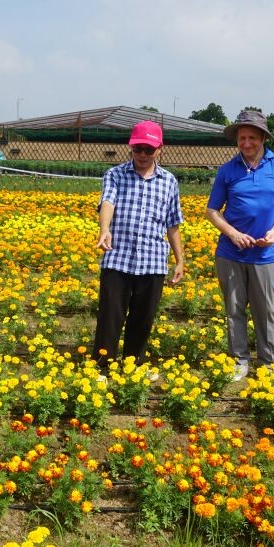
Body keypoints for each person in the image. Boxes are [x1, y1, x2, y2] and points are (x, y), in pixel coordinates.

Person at [206, 110, 274, 381]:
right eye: (242, 138)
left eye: (252, 138)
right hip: (231, 253)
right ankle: (239, 359)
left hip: (266, 253)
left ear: (263, 138)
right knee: (234, 309)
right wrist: (233, 233)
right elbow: (212, 210)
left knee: (266, 310)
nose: (246, 143)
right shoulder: (227, 170)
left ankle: (267, 361)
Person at [93, 120, 185, 370]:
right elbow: (107, 202)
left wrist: (180, 260)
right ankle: (102, 366)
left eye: (149, 149)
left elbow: (173, 224)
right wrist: (104, 229)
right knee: (110, 317)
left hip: (153, 260)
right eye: (138, 149)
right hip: (118, 257)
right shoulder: (115, 174)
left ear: (160, 149)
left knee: (143, 319)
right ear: (130, 147)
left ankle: (133, 366)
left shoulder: (169, 181)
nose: (142, 154)